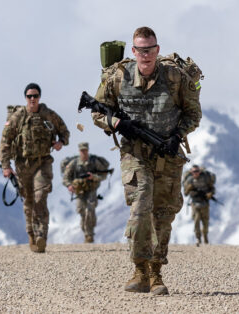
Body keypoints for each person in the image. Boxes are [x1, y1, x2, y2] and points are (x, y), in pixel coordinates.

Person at [91, 26, 202, 295]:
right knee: (141, 206)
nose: (146, 55)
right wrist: (117, 123)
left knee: (162, 215)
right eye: (141, 50)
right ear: (133, 51)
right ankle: (139, 268)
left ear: (157, 50)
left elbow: (193, 114)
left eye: (150, 49)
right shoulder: (118, 77)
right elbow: (96, 112)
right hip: (135, 154)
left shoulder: (175, 77)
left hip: (167, 155)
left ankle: (155, 273)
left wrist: (177, 135)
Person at [0, 82, 69, 253]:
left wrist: (60, 142)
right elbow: (5, 142)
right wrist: (5, 166)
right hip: (23, 164)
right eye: (29, 96)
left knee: (41, 196)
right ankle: (31, 234)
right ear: (25, 98)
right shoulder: (18, 117)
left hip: (43, 162)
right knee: (29, 201)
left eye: (35, 96)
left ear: (39, 97)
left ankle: (41, 236)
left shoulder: (48, 115)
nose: (32, 99)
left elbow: (65, 132)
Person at [62, 142, 111, 243]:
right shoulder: (74, 163)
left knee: (90, 209)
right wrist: (69, 185)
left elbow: (104, 174)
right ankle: (85, 231)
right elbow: (65, 178)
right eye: (82, 150)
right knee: (81, 211)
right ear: (79, 151)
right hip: (79, 191)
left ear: (88, 150)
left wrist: (94, 177)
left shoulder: (94, 162)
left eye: (85, 150)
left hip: (91, 190)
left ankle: (89, 234)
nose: (84, 152)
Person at [182, 165, 215, 247]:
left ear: (200, 172)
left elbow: (212, 189)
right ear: (191, 172)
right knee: (196, 221)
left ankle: (205, 238)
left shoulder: (205, 179)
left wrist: (210, 194)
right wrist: (189, 188)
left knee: (205, 223)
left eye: (197, 171)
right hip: (195, 203)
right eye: (194, 172)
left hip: (204, 203)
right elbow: (185, 193)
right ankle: (198, 239)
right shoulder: (189, 180)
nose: (196, 173)